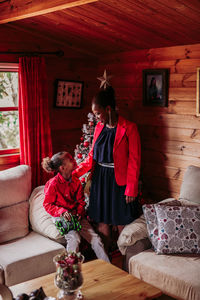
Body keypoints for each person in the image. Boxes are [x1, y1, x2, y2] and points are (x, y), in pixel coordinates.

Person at [73, 86, 141, 251]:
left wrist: (131, 188)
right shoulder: (98, 128)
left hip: (120, 182)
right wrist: (74, 174)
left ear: (108, 109)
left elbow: (134, 160)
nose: (96, 118)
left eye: (98, 113)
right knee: (102, 222)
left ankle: (125, 261)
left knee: (121, 223)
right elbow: (91, 157)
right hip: (100, 180)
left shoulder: (129, 128)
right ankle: (107, 262)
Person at [42, 151, 110, 262]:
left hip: (76, 215)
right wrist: (62, 211)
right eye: (70, 159)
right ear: (62, 168)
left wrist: (79, 212)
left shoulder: (76, 182)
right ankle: (69, 269)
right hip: (61, 216)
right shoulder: (53, 184)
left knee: (96, 239)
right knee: (74, 238)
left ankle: (108, 266)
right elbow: (47, 204)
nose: (74, 160)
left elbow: (81, 201)